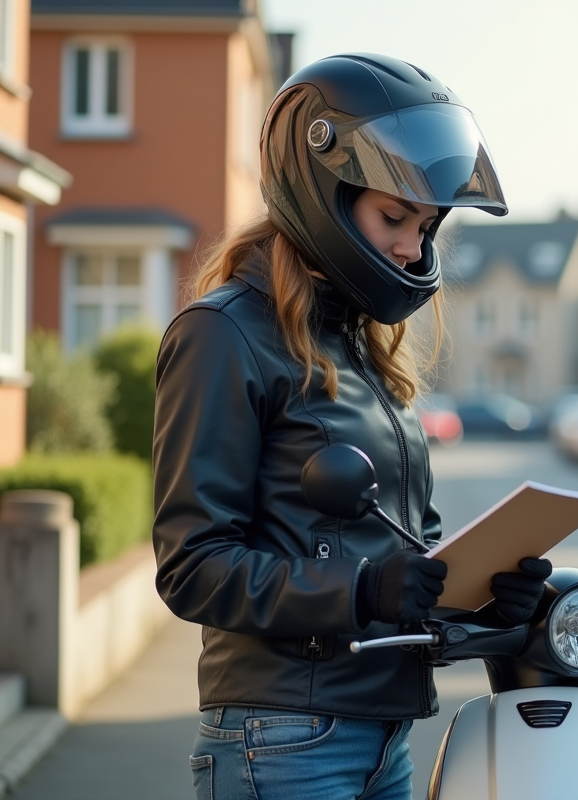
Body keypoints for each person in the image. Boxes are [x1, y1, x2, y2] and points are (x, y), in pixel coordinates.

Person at [152, 54, 551, 800]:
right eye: (393, 217)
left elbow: (405, 556)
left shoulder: (364, 348)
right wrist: (362, 590)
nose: (413, 247)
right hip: (281, 738)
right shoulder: (223, 335)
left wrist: (485, 598)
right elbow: (192, 566)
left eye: (427, 226)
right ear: (321, 191)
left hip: (383, 737)